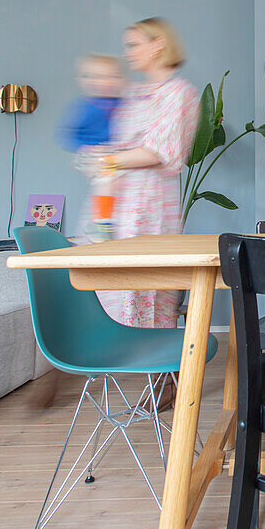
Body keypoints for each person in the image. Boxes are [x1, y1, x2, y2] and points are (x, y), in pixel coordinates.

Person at [96, 18, 199, 328]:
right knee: (118, 285)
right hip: (119, 203)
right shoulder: (133, 92)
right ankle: (133, 362)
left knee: (151, 285)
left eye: (134, 44)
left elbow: (158, 152)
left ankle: (161, 367)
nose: (127, 53)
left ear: (158, 45)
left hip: (151, 204)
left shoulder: (178, 92)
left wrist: (109, 160)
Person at [55, 54, 124, 153]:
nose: (108, 82)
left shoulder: (123, 103)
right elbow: (68, 135)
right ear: (85, 82)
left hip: (118, 153)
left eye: (114, 76)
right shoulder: (85, 107)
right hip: (93, 154)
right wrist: (84, 148)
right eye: (99, 77)